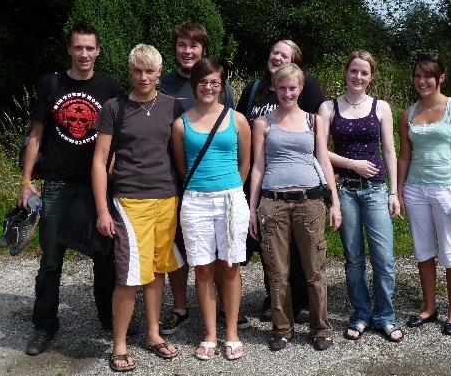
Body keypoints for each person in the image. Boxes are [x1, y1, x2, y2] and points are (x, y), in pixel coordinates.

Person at [20, 22, 121, 356]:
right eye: (78, 47)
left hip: (96, 186)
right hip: (57, 185)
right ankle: (44, 325)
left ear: (98, 51)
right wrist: (25, 182)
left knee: (104, 255)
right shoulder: (51, 84)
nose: (84, 54)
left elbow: (116, 139)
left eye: (90, 48)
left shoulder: (109, 87)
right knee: (51, 260)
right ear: (69, 49)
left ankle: (108, 317)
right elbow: (36, 134)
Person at [92, 44, 184, 372]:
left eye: (150, 71)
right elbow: (99, 161)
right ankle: (119, 344)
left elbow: (179, 153)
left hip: (167, 198)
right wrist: (103, 211)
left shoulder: (173, 106)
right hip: (130, 201)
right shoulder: (114, 107)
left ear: (160, 72)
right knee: (129, 275)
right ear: (130, 71)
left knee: (157, 270)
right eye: (137, 70)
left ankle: (153, 334)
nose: (143, 77)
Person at [158, 20, 249, 334]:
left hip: (223, 186)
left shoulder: (224, 91)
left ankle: (225, 309)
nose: (187, 51)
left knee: (225, 257)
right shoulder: (164, 84)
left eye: (193, 45)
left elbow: (236, 146)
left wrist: (232, 184)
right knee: (186, 252)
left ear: (203, 50)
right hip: (179, 181)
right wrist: (190, 182)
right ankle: (180, 307)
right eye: (182, 45)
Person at [249, 63, 341, 351]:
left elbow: (324, 161)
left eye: (292, 88)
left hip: (310, 201)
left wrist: (334, 202)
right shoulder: (263, 123)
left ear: (301, 89)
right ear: (275, 89)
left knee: (315, 269)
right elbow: (258, 167)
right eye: (282, 88)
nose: (287, 93)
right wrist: (252, 208)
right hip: (273, 202)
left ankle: (320, 327)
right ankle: (281, 328)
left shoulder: (315, 121)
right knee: (277, 271)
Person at [236, 39, 325, 322]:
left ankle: (301, 301)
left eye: (285, 55)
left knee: (299, 245)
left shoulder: (307, 88)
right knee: (270, 244)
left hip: (298, 180)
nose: (277, 57)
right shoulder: (253, 90)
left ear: (295, 65)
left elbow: (316, 136)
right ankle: (273, 300)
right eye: (275, 51)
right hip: (260, 174)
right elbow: (240, 127)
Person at [318, 51, 403, 342]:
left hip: (376, 190)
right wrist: (352, 164)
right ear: (346, 72)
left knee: (384, 258)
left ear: (371, 76)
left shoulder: (381, 107)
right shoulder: (328, 107)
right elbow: (320, 151)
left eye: (364, 72)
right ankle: (361, 314)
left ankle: (385, 315)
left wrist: (394, 191)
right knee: (353, 259)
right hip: (346, 189)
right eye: (353, 71)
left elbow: (389, 151)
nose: (358, 77)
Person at [397, 54, 451, 336]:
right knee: (423, 250)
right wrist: (399, 190)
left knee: (450, 252)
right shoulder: (408, 113)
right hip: (416, 189)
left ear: (441, 78)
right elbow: (405, 155)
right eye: (417, 75)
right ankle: (429, 307)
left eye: (427, 76)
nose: (422, 81)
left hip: (446, 189)